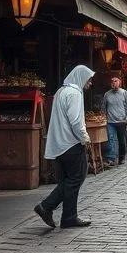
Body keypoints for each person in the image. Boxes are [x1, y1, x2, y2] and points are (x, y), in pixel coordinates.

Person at [34, 65, 94, 229]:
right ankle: (53, 209)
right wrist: (85, 139)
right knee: (75, 179)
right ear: (81, 77)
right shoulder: (74, 93)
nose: (90, 84)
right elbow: (76, 121)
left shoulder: (61, 91)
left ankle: (65, 214)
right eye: (89, 80)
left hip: (60, 143)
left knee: (69, 180)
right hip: (71, 143)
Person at [102, 76, 127, 166]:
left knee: (121, 140)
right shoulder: (107, 94)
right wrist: (104, 117)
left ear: (120, 82)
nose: (113, 83)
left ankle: (121, 157)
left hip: (121, 121)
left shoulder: (124, 93)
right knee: (110, 139)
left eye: (115, 81)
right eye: (112, 81)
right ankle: (111, 158)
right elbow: (104, 107)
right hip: (110, 121)